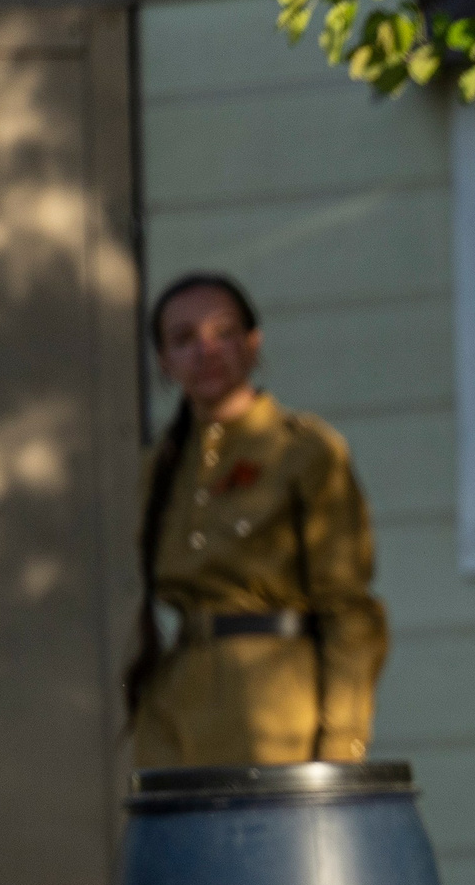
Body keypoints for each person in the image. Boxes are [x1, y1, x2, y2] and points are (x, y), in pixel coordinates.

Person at [127, 272, 390, 768]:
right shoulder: (160, 466)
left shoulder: (302, 450)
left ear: (253, 344)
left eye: (224, 332)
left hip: (274, 704)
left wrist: (341, 745)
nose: (206, 351)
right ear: (163, 361)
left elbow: (350, 612)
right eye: (183, 340)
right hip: (177, 701)